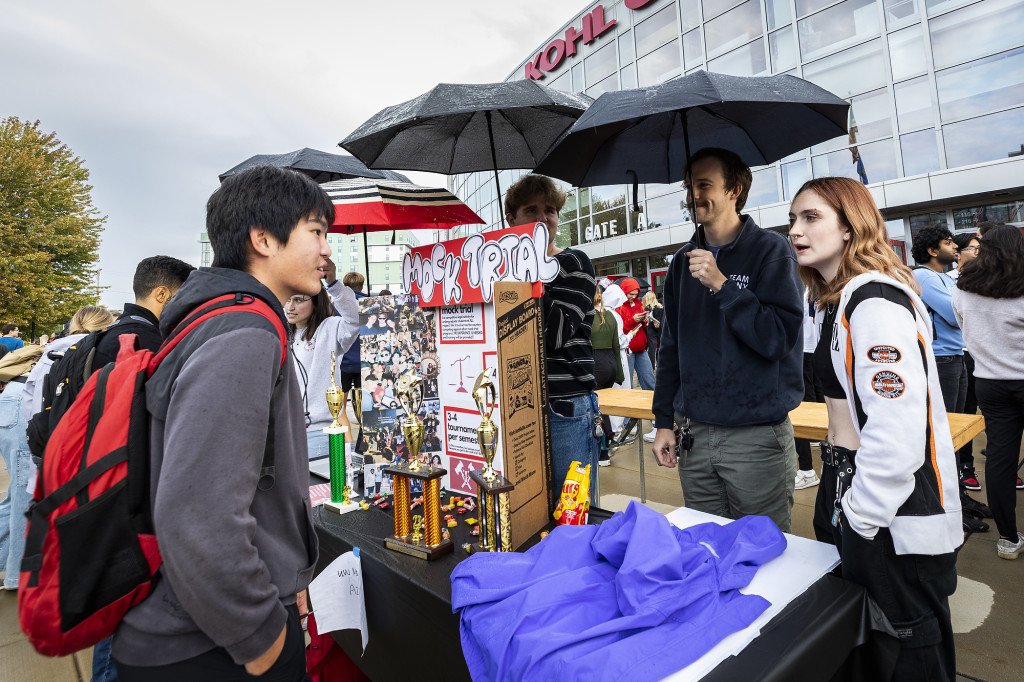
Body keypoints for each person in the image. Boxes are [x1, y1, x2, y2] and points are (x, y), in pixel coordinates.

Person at [112, 165, 325, 681]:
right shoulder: (244, 332)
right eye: (316, 230)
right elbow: (197, 516)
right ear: (263, 239)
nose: (326, 249)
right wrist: (262, 638)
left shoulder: (218, 317)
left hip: (196, 633)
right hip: (206, 647)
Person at [790, 177, 960, 680]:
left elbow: (898, 430)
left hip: (892, 517)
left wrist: (860, 516)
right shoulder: (838, 301)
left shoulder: (874, 300)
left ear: (850, 226)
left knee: (905, 656)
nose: (796, 230)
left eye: (812, 217)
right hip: (851, 492)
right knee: (866, 655)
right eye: (793, 220)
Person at [651, 147, 803, 533]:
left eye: (704, 184)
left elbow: (778, 339)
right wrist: (664, 421)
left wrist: (722, 285)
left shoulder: (770, 250)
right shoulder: (683, 262)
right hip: (694, 436)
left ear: (734, 189)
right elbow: (671, 348)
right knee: (705, 547)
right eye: (689, 186)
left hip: (755, 438)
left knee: (761, 553)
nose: (693, 195)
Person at [1, 307, 115, 595]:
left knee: (20, 501)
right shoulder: (93, 350)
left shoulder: (53, 348)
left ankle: (21, 570)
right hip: (55, 435)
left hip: (28, 425)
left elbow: (30, 396)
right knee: (33, 504)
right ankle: (24, 575)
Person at [504, 174, 599, 496]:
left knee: (573, 514)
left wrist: (530, 271)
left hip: (564, 406)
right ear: (511, 219)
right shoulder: (501, 272)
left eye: (550, 211)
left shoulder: (572, 262)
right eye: (531, 210)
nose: (543, 218)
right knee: (528, 515)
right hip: (515, 405)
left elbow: (555, 332)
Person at [953, 225, 1024, 559]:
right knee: (1000, 461)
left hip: (989, 383)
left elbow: (965, 328)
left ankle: (1008, 539)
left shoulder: (963, 289)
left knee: (999, 460)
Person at [911, 226, 990, 526]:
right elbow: (956, 314)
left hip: (955, 356)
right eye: (947, 243)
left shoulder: (945, 277)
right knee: (944, 433)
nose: (955, 247)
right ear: (933, 251)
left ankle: (958, 495)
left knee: (956, 432)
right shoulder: (924, 276)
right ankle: (948, 503)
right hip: (941, 359)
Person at [285, 286, 359, 458]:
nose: (290, 307)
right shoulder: (282, 332)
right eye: (287, 300)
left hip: (321, 431)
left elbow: (355, 320)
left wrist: (334, 284)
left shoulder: (330, 327)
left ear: (316, 302)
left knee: (323, 483)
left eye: (298, 300)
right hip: (286, 431)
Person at [90, 256, 196, 370]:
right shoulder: (148, 343)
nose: (187, 304)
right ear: (161, 294)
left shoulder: (110, 332)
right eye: (183, 295)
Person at [949, 233, 984, 491]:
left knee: (995, 417)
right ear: (958, 253)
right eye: (971, 248)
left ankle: (1000, 465)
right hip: (962, 353)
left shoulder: (989, 278)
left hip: (984, 354)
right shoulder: (948, 280)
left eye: (979, 248)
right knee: (966, 414)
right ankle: (966, 467)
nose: (976, 252)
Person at [590, 288, 623, 467]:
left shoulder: (588, 316)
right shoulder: (610, 316)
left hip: (596, 363)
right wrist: (619, 373)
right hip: (610, 363)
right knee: (603, 407)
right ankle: (608, 440)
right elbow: (616, 346)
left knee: (597, 409)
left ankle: (603, 451)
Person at [794, 290, 822, 490]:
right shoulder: (811, 287)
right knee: (814, 392)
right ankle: (808, 467)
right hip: (813, 347)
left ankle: (807, 470)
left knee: (805, 400)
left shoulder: (805, 289)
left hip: (805, 347)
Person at [616, 278, 655, 392]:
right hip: (628, 349)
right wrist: (632, 320)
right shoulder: (619, 306)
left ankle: (652, 405)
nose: (633, 296)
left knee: (649, 379)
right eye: (630, 294)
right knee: (628, 384)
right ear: (624, 291)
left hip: (640, 347)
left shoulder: (638, 303)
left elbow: (642, 328)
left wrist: (644, 320)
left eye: (635, 294)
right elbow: (620, 330)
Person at [338, 271, 368, 400]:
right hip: (366, 362)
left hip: (344, 362)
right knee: (365, 404)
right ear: (362, 286)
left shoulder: (336, 305)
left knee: (340, 407)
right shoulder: (370, 304)